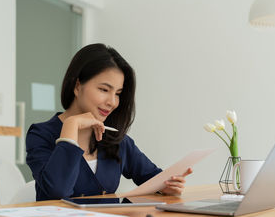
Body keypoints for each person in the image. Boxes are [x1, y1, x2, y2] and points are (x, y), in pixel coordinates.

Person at [26, 43, 192, 201]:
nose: (112, 102)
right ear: (77, 86)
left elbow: (153, 178)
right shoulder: (40, 135)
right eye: (104, 90)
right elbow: (58, 191)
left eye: (118, 93)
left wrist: (167, 186)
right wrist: (71, 125)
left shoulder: (116, 139)